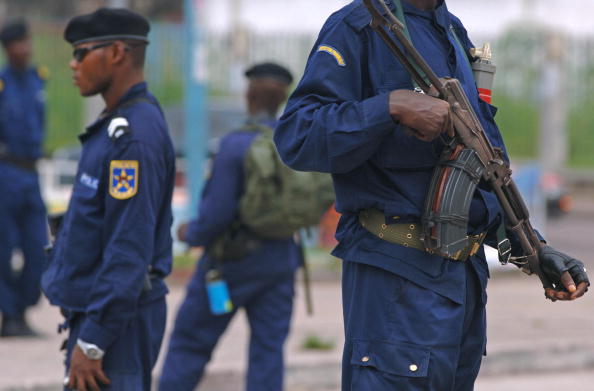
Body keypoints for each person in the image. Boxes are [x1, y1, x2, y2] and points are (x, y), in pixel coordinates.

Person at [273, 0, 590, 390]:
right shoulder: (360, 25)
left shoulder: (452, 30)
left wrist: (534, 249)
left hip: (463, 286)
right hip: (397, 282)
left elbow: (484, 164)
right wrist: (389, 107)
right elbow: (298, 135)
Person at [41, 8, 175, 391]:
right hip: (107, 314)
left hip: (118, 324)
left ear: (117, 53)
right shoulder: (116, 126)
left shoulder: (132, 137)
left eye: (82, 52)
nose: (72, 63)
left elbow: (128, 248)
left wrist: (94, 340)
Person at [158, 63, 301, 391]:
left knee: (191, 341)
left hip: (230, 263)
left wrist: (189, 233)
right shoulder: (292, 143)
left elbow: (216, 214)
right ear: (283, 97)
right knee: (268, 351)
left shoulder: (235, 145)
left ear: (249, 95)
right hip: (281, 260)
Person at [0, 18, 47, 337]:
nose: (26, 48)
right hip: (5, 173)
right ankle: (10, 314)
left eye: (28, 41)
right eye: (20, 42)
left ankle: (24, 306)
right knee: (3, 249)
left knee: (39, 248)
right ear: (7, 47)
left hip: (31, 174)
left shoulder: (37, 79)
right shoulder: (2, 83)